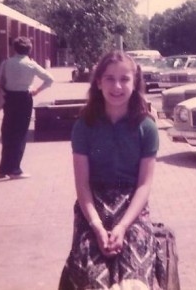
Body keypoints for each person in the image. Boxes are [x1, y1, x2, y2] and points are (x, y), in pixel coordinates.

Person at [59, 51, 160, 290]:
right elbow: (82, 184)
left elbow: (144, 185)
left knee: (134, 281)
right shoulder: (84, 126)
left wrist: (123, 226)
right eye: (109, 78)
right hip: (93, 206)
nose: (117, 86)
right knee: (93, 279)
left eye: (124, 79)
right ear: (98, 82)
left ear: (135, 83)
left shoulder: (147, 127)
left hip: (132, 209)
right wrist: (96, 225)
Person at [0, 36, 54, 181]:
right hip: (24, 99)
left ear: (14, 48)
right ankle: (15, 169)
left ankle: (3, 169)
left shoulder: (6, 63)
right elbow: (49, 79)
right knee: (20, 134)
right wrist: (37, 91)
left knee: (7, 132)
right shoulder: (31, 65)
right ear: (30, 49)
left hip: (9, 99)